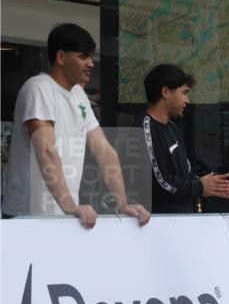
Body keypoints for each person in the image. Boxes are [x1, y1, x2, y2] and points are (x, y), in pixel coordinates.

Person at [2, 23, 150, 228]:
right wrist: (70, 205)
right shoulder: (39, 88)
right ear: (61, 57)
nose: (91, 63)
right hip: (28, 214)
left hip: (64, 215)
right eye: (83, 57)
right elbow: (46, 149)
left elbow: (104, 150)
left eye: (91, 57)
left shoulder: (79, 95)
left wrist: (122, 202)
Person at [142, 64, 229, 213]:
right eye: (184, 92)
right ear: (166, 92)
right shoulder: (146, 129)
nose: (187, 100)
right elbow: (159, 183)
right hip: (160, 224)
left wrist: (209, 184)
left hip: (184, 219)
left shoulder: (172, 127)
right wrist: (200, 187)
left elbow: (184, 172)